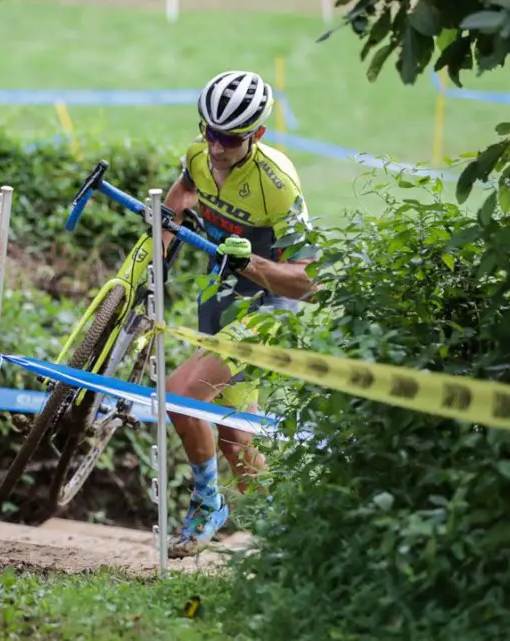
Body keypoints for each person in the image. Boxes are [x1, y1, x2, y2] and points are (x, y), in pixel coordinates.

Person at [161, 70, 317, 558]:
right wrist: (161, 252)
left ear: (258, 135)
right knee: (233, 432)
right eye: (208, 130)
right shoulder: (198, 156)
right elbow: (178, 200)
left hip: (269, 310)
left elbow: (309, 281)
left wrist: (250, 263)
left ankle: (209, 504)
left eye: (228, 137)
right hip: (220, 302)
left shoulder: (278, 184)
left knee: (180, 395)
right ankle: (287, 542)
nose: (216, 145)